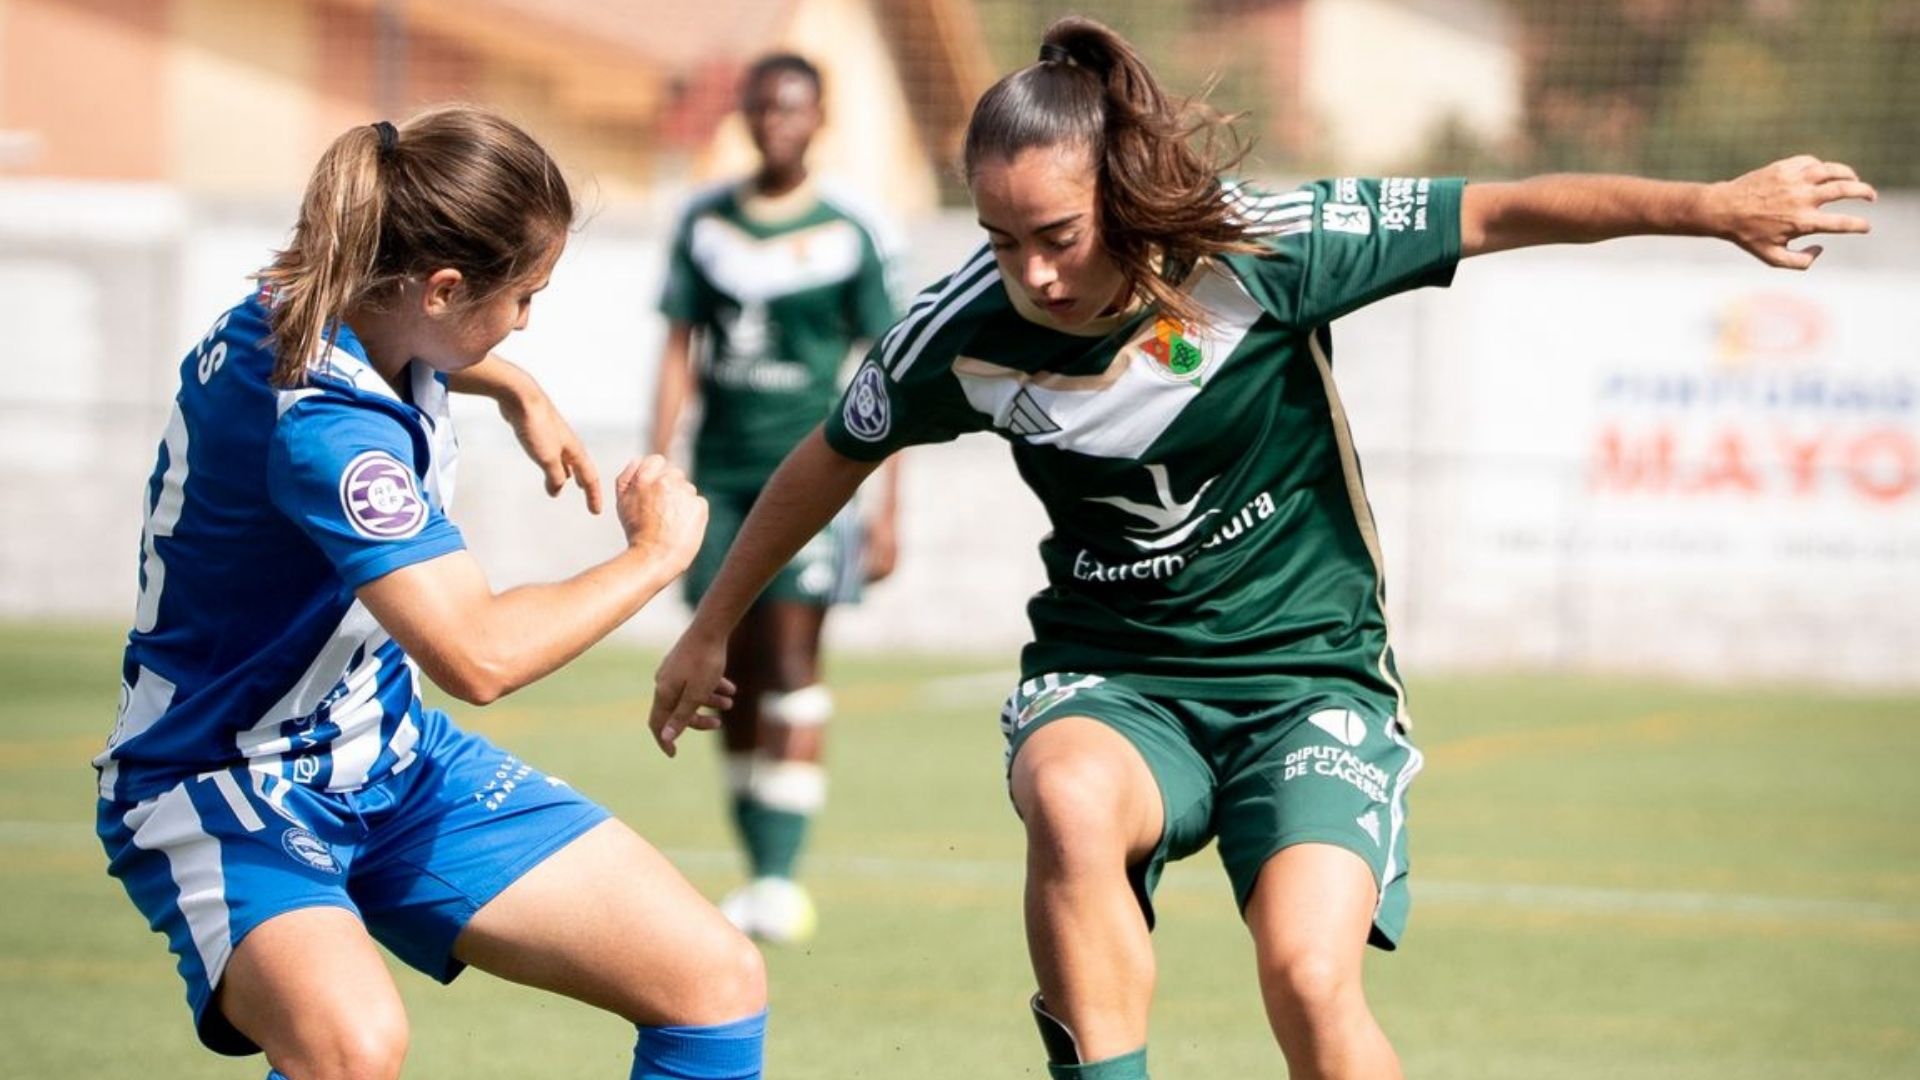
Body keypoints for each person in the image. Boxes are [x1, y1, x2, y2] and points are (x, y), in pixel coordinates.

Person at [649, 15, 1875, 1080]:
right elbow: (829, 454)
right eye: (999, 235)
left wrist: (1707, 208)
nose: (1031, 272)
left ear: (1119, 193)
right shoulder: (961, 331)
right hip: (1114, 679)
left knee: (1308, 981)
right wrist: (709, 626)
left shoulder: (1261, 249)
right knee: (1070, 800)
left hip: (1309, 683)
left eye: (1059, 234)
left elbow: (1496, 208)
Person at [95, 106, 767, 1080]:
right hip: (225, 784)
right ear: (445, 289)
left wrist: (515, 383)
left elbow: (423, 328)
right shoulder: (326, 432)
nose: (526, 317)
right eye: (525, 297)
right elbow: (478, 655)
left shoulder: (331, 294)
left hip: (392, 759)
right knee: (351, 1049)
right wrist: (655, 555)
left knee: (714, 981)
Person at [651, 52, 902, 944]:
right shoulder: (705, 225)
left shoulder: (851, 231)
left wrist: (887, 505)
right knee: (729, 671)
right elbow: (678, 348)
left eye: (794, 109)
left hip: (812, 480)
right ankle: (755, 868)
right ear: (747, 117)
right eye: (763, 109)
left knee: (793, 658)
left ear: (819, 117)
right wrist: (658, 461)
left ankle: (782, 877)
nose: (777, 123)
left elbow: (887, 372)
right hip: (718, 476)